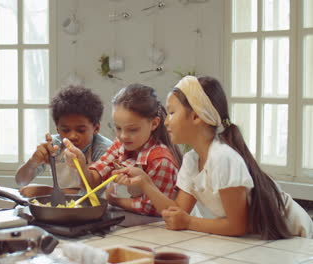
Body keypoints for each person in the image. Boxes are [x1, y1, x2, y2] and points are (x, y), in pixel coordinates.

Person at [113, 76, 313, 239]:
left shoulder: (223, 158)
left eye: (172, 112)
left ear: (196, 117)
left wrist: (189, 222)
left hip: (294, 235)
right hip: (263, 238)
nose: (166, 121)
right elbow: (177, 211)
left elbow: (237, 226)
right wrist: (146, 183)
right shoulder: (192, 160)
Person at [64, 84, 182, 216]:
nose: (123, 136)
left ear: (154, 123)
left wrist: (116, 201)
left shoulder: (161, 160)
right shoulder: (120, 144)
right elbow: (91, 183)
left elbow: (153, 208)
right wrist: (81, 165)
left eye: (133, 129)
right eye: (118, 128)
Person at [15, 85, 113, 197]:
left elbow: (91, 193)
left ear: (96, 128)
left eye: (81, 130)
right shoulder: (54, 145)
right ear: (57, 128)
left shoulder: (104, 149)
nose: (72, 136)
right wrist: (32, 162)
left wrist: (48, 192)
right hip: (63, 209)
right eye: (65, 130)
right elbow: (21, 181)